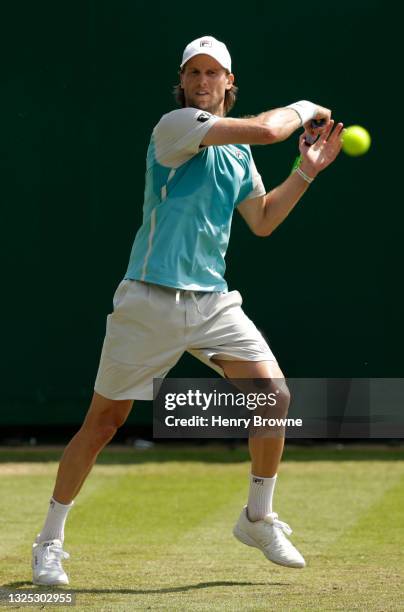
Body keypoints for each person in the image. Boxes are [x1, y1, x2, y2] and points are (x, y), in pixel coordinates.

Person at [31, 35, 343, 585]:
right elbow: (272, 128)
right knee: (104, 423)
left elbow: (263, 220)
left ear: (229, 82)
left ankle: (257, 516)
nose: (201, 82)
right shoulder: (174, 127)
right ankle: (49, 542)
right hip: (148, 299)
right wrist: (307, 106)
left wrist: (307, 170)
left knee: (274, 397)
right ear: (183, 83)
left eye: (212, 73)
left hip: (212, 302)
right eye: (192, 73)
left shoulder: (238, 154)